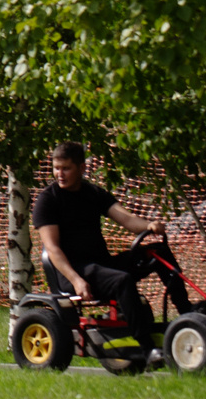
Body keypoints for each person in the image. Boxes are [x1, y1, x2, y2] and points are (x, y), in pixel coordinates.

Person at [33, 141, 194, 351]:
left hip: (101, 265)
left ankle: (188, 314)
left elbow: (126, 219)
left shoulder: (92, 193)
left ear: (81, 168)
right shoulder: (48, 200)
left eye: (66, 168)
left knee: (157, 251)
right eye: (56, 168)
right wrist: (77, 281)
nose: (59, 174)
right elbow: (53, 249)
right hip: (73, 272)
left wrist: (150, 225)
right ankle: (148, 348)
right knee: (121, 280)